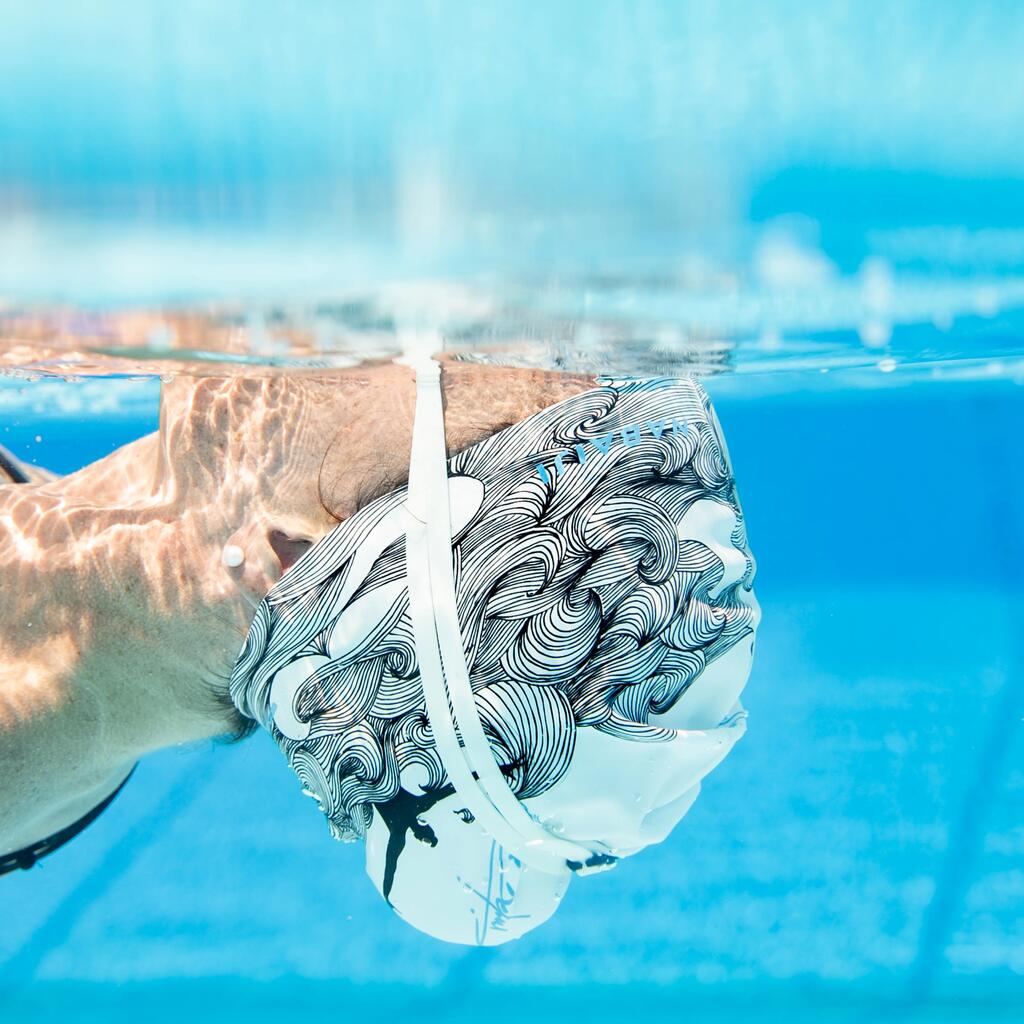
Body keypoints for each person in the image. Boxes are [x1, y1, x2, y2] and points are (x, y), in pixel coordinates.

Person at [0, 361, 592, 870]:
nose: (292, 339)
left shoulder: (21, 715)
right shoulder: (123, 587)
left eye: (351, 346)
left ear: (279, 555)